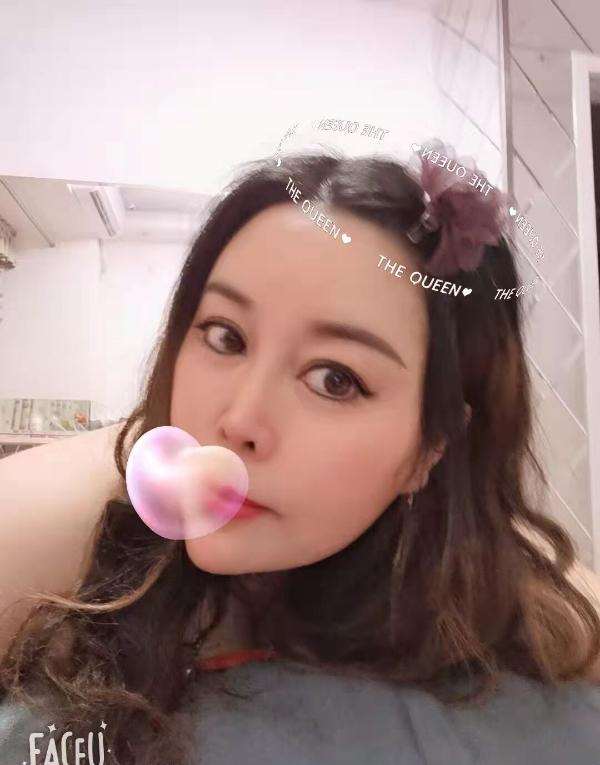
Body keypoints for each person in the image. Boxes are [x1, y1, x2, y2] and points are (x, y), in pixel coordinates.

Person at [1, 150, 600, 765]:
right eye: (226, 336)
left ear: (430, 448)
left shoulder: (503, 625)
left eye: (334, 379)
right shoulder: (95, 554)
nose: (239, 420)